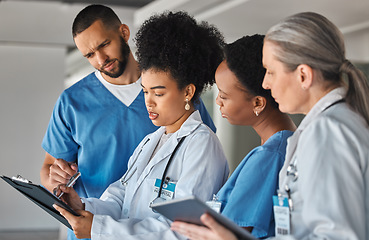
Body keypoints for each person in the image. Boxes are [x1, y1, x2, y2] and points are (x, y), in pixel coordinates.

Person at [174, 12, 369, 240]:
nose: (265, 83)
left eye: (271, 71)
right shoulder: (331, 123)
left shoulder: (327, 130)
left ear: (303, 75)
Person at [40, 5, 216, 240]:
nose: (101, 59)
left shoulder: (181, 102)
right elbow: (121, 195)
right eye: (89, 55)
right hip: (93, 229)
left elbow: (183, 222)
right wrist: (70, 194)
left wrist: (100, 226)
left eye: (104, 45)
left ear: (123, 32)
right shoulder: (74, 103)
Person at [171, 35, 296, 239]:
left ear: (257, 103)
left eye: (224, 95)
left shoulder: (269, 156)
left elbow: (232, 234)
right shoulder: (284, 143)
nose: (218, 101)